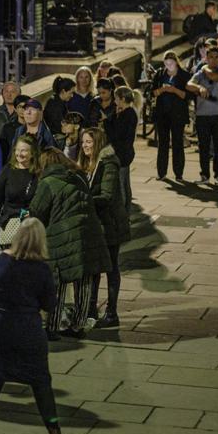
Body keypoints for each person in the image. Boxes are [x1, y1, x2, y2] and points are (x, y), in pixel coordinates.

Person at [0, 218, 68, 434]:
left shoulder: (0, 260)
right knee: (41, 381)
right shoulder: (42, 269)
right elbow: (49, 304)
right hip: (26, 328)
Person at [28, 149, 110, 339]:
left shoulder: (48, 182)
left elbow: (37, 210)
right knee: (83, 280)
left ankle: (54, 326)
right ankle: (79, 325)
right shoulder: (78, 177)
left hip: (61, 237)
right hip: (87, 234)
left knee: (59, 283)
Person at [79, 128, 129, 329]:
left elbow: (107, 196)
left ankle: (111, 312)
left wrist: (83, 199)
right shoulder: (87, 164)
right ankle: (91, 308)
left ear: (97, 143)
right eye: (83, 142)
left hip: (110, 225)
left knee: (110, 268)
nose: (85, 146)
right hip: (95, 225)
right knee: (93, 268)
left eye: (89, 142)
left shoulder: (108, 164)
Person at [188, 46, 218, 184]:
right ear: (206, 58)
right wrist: (199, 87)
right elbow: (189, 85)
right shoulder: (200, 74)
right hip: (203, 115)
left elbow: (214, 76)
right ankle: (205, 175)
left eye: (216, 57)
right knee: (204, 147)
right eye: (211, 57)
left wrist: (204, 69)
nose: (213, 60)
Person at [0, 135, 39, 245]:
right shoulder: (8, 170)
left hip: (30, 225)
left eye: (24, 151)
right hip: (9, 223)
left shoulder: (37, 173)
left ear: (32, 153)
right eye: (17, 150)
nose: (19, 154)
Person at [150, 51, 192, 181]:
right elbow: (152, 92)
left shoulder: (184, 75)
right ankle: (161, 172)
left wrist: (174, 90)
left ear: (176, 62)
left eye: (171, 63)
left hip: (178, 114)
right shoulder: (159, 74)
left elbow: (188, 96)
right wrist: (162, 90)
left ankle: (178, 173)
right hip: (162, 114)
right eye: (166, 63)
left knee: (177, 143)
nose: (169, 66)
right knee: (163, 143)